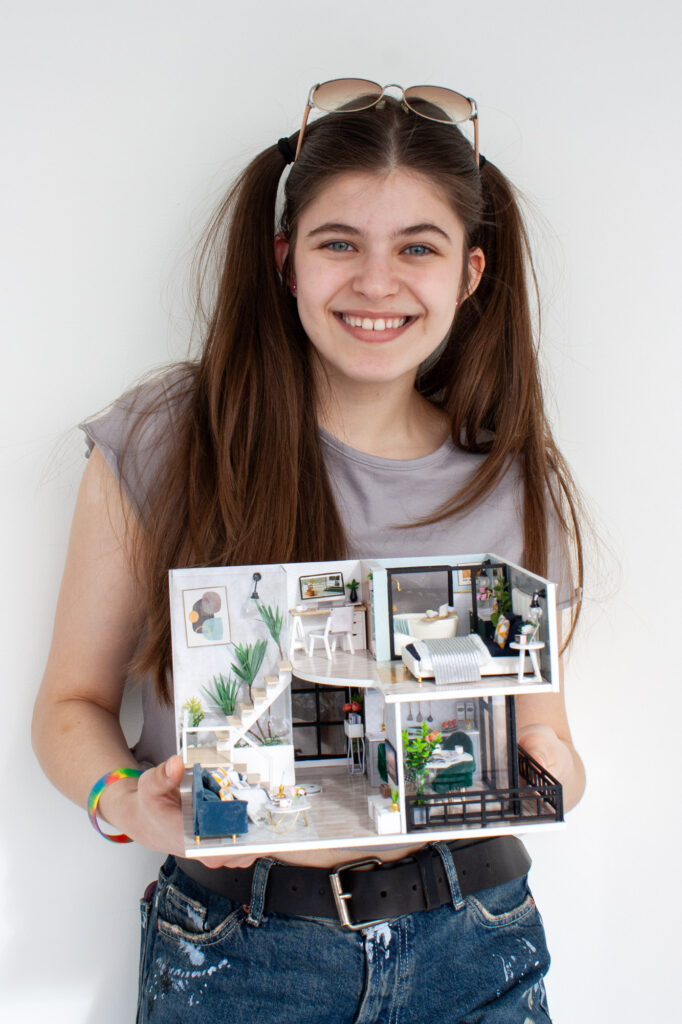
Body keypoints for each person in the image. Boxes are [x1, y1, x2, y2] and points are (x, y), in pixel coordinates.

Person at [32, 80, 586, 1023]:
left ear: (472, 272)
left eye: (419, 246)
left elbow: (552, 742)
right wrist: (131, 804)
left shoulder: (510, 481)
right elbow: (69, 708)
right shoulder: (170, 437)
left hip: (477, 939)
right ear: (287, 261)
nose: (377, 283)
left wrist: (546, 776)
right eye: (340, 244)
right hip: (239, 954)